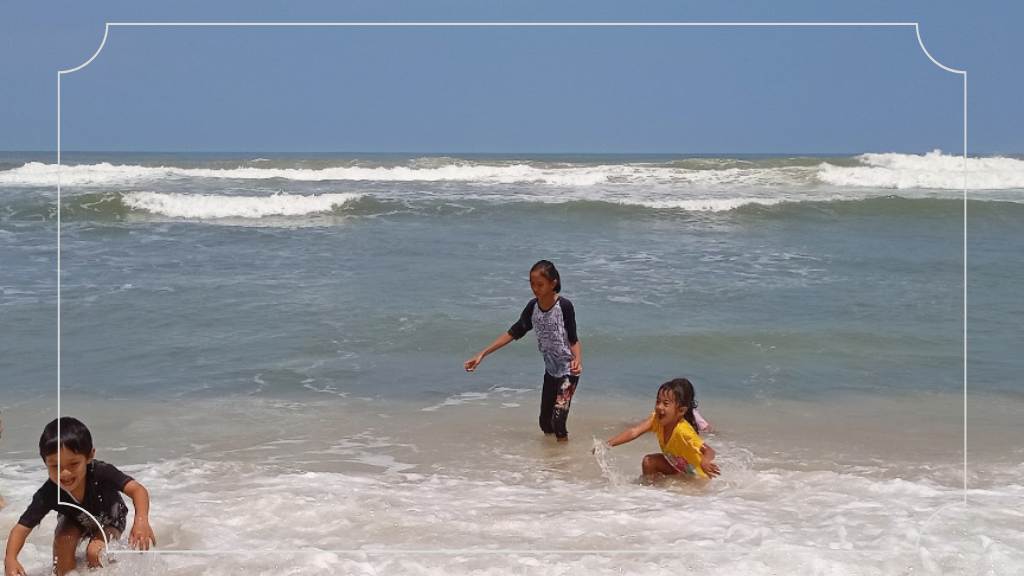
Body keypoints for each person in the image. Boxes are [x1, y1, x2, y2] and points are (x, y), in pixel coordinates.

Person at [4, 417, 156, 576]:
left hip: (110, 517)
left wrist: (141, 521)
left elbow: (137, 490)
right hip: (74, 518)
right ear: (45, 462)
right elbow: (21, 529)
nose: (65, 473)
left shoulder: (101, 472)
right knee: (64, 541)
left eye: (73, 464)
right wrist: (10, 558)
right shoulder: (49, 492)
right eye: (55, 466)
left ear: (89, 455)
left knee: (95, 552)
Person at [464, 260, 582, 442]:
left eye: (540, 284)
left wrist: (577, 360)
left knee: (558, 420)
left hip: (568, 371)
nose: (535, 288)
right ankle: (554, 458)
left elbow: (573, 338)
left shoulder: (564, 306)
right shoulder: (532, 308)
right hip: (551, 372)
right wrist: (482, 354)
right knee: (545, 423)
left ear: (553, 283)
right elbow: (514, 332)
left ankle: (563, 462)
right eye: (532, 284)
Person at [599, 378, 720, 479]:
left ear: (681, 411)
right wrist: (608, 444)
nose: (659, 407)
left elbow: (709, 451)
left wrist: (705, 462)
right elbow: (634, 431)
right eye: (658, 401)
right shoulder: (656, 420)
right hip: (677, 467)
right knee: (649, 462)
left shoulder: (684, 431)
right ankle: (653, 495)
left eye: (666, 403)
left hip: (695, 475)